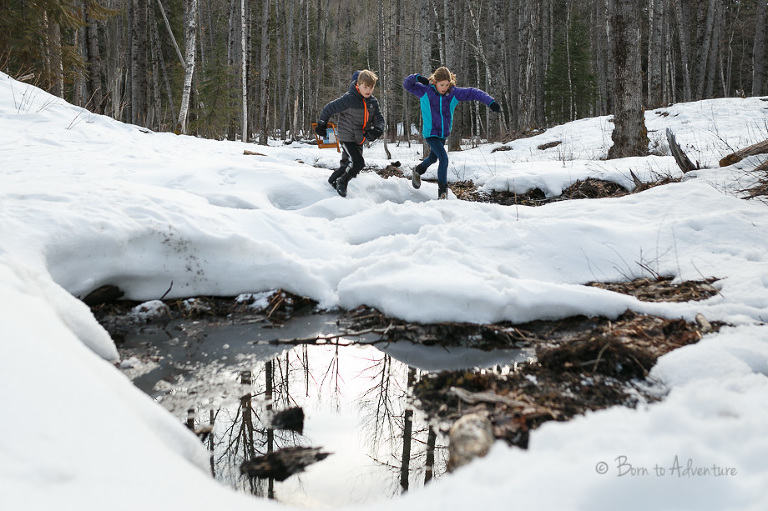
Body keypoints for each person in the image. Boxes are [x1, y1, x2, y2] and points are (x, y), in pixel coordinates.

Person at [403, 67, 501, 199]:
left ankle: (418, 170)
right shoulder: (425, 91)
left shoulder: (453, 94)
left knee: (433, 158)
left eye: (447, 84)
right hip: (430, 133)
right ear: (434, 82)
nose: (444, 87)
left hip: (442, 134)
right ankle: (443, 192)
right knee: (443, 158)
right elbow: (407, 84)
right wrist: (416, 77)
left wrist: (491, 102)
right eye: (441, 84)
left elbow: (473, 92)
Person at [315, 70, 385, 197]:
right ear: (358, 85)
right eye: (365, 86)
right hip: (347, 136)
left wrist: (378, 130)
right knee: (358, 163)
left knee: (350, 164)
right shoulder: (349, 99)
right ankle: (342, 181)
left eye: (371, 87)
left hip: (360, 138)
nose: (368, 90)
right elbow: (329, 108)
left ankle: (333, 180)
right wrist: (322, 124)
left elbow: (379, 119)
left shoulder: (373, 102)